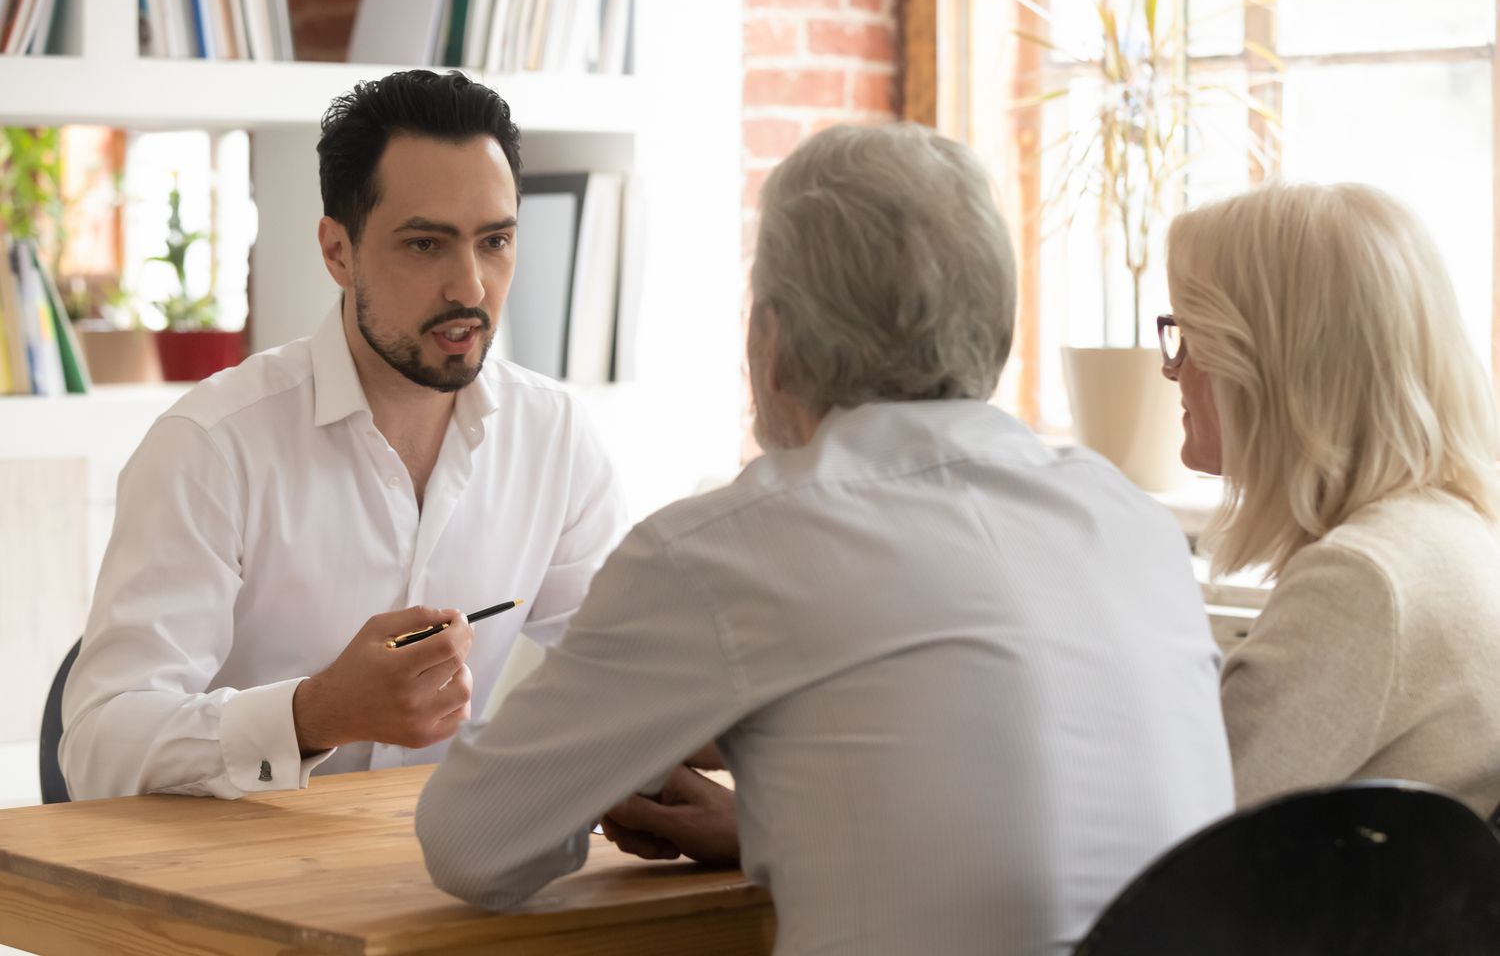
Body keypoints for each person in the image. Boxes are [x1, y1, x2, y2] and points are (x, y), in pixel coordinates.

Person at [415, 122, 1234, 955]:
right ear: (996, 327)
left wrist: (622, 757)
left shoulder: (728, 549)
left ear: (771, 342)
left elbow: (471, 843)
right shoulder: (1131, 520)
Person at [60, 70, 628, 801]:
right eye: (426, 245)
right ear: (338, 252)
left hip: (448, 880)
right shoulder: (212, 446)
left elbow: (627, 671)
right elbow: (99, 748)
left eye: (495, 241)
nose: (471, 287)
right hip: (235, 889)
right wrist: (314, 714)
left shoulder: (556, 437)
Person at [1158, 182, 1500, 814]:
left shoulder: (1360, 581)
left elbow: (1190, 830)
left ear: (1271, 361)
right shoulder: (1447, 533)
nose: (1172, 369)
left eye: (1189, 335)